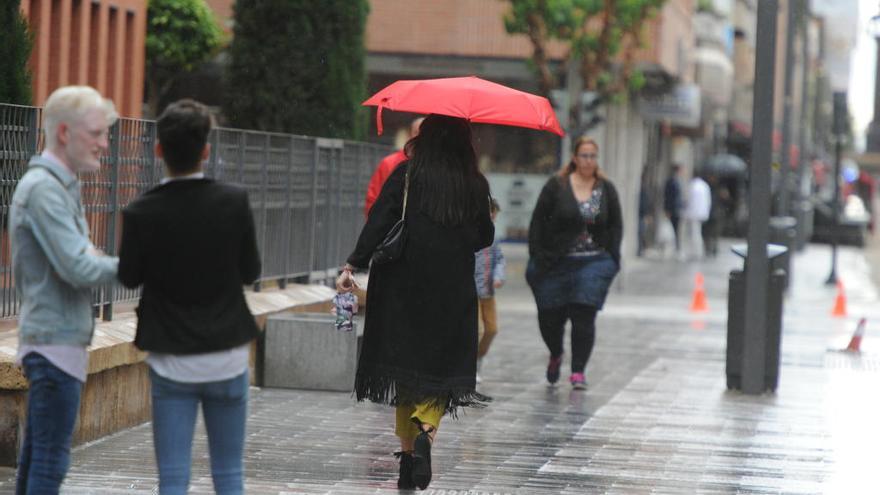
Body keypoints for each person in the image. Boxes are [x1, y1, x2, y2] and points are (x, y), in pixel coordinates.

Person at [336, 114, 494, 490]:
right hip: (451, 288)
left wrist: (353, 263)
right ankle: (426, 430)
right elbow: (484, 235)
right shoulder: (474, 183)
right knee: (440, 371)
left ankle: (408, 459)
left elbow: (378, 222)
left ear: (424, 138)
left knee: (405, 369)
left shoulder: (407, 174)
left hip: (402, 285)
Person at [117, 99, 261, 495]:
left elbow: (128, 278)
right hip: (227, 354)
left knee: (173, 475)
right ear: (206, 150)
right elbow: (251, 272)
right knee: (229, 473)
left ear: (159, 149)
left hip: (170, 358)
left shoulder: (141, 212)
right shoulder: (234, 201)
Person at [10, 85, 120, 493]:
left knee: (38, 461)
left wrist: (93, 258)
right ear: (63, 133)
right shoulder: (45, 190)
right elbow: (78, 265)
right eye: (96, 133)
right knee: (49, 464)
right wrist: (143, 267)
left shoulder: (56, 187)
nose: (104, 144)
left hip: (55, 344)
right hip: (54, 347)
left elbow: (79, 261)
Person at [526, 136, 622, 390]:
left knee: (583, 313)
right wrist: (537, 254)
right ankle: (556, 353)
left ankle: (578, 370)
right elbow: (538, 222)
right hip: (556, 262)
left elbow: (615, 225)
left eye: (593, 156)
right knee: (550, 317)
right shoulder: (556, 186)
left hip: (594, 261)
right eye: (584, 155)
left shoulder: (605, 188)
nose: (588, 160)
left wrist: (613, 257)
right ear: (574, 157)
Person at [364, 117, 424, 216]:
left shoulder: (439, 167)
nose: (420, 137)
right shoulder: (389, 163)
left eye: (425, 134)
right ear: (409, 135)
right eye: (417, 132)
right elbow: (373, 200)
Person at [474, 198, 506, 383]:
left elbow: (500, 258)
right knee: (476, 330)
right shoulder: (472, 234)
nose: (493, 216)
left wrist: (498, 276)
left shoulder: (494, 237)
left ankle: (479, 357)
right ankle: (471, 365)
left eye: (495, 213)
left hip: (488, 292)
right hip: (473, 292)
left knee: (491, 329)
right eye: (490, 212)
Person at [682, 172, 711, 261]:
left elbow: (690, 200)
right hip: (702, 213)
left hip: (694, 213)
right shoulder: (705, 186)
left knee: (695, 233)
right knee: (697, 232)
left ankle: (696, 251)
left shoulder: (693, 185)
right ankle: (698, 251)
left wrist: (687, 212)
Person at [663, 164, 683, 251]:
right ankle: (673, 246)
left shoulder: (678, 181)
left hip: (677, 209)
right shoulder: (671, 182)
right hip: (672, 209)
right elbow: (668, 197)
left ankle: (676, 246)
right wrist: (667, 209)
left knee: (676, 229)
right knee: (672, 229)